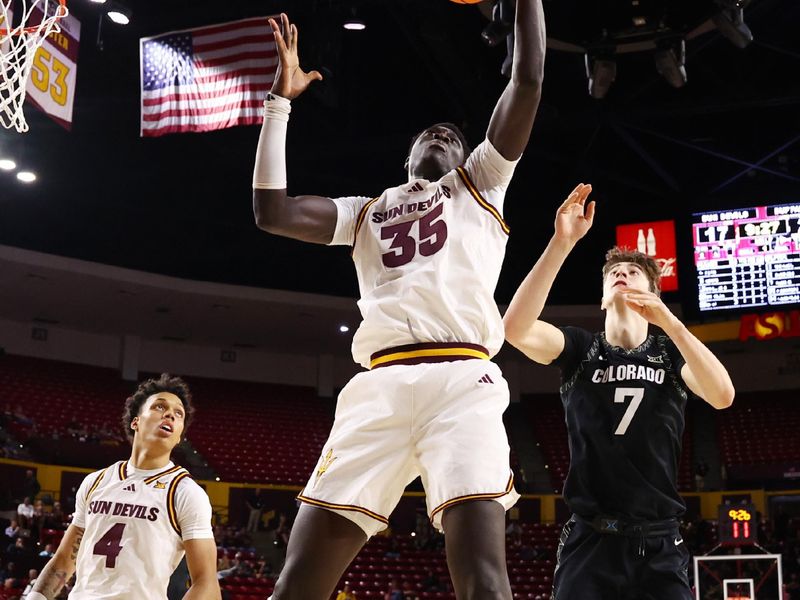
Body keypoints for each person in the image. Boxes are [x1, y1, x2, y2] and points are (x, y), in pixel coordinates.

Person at [252, 2, 545, 597]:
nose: (441, 135)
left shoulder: (479, 186)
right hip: (377, 388)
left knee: (483, 579)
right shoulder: (364, 211)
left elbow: (529, 78)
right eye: (428, 135)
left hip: (463, 382)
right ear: (406, 160)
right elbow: (272, 212)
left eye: (454, 137)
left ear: (467, 160)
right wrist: (279, 105)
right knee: (297, 583)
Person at [503, 184, 736, 599]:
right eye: (613, 273)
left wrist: (673, 325)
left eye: (633, 273)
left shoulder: (670, 353)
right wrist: (561, 243)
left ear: (654, 294)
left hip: (660, 539)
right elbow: (515, 329)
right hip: (591, 539)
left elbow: (722, 396)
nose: (621, 274)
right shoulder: (579, 348)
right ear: (602, 297)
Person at [27, 374, 221, 600]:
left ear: (179, 436)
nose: (170, 414)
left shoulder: (185, 492)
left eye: (179, 413)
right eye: (160, 406)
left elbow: (207, 584)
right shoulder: (96, 481)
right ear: (135, 421)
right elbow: (63, 560)